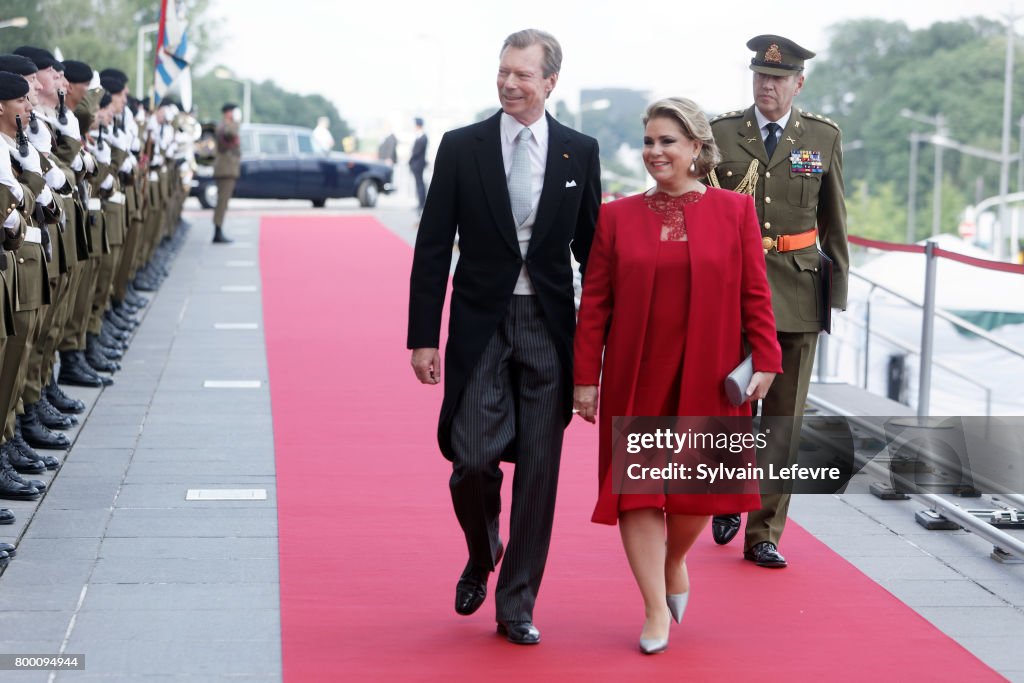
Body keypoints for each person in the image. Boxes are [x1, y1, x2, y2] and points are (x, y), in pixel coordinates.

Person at [407, 28, 601, 646]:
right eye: (503, 72)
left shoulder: (579, 150)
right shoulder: (462, 147)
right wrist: (422, 335)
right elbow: (434, 244)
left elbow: (593, 255)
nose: (510, 83)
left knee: (539, 475)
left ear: (550, 83)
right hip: (479, 324)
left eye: (523, 75)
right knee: (470, 459)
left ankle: (516, 603)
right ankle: (481, 546)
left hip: (549, 326)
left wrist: (595, 352)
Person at [573, 97, 782, 654]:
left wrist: (766, 358)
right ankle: (653, 608)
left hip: (710, 371)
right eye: (648, 141)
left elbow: (755, 294)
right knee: (638, 494)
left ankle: (673, 562)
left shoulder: (735, 211)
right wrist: (585, 378)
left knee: (696, 491)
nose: (655, 152)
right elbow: (595, 303)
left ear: (696, 148)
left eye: (667, 141)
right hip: (636, 372)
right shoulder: (616, 216)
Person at [707, 35, 849, 568]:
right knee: (732, 406)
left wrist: (834, 295)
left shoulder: (822, 137)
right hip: (731, 291)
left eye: (778, 78)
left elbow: (834, 220)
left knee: (784, 417)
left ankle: (763, 532)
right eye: (760, 76)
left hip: (795, 288)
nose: (767, 85)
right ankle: (725, 497)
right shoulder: (721, 133)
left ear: (798, 83)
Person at [212, 103, 241, 244]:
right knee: (222, 202)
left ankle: (218, 229)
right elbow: (231, 134)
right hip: (225, 169)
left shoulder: (225, 125)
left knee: (223, 202)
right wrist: (235, 122)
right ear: (228, 113)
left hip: (227, 169)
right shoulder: (225, 126)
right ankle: (217, 231)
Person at [408, 116, 427, 211]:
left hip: (418, 164)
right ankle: (420, 202)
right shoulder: (418, 136)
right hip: (416, 164)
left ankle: (422, 203)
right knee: (418, 184)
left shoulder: (423, 137)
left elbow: (417, 152)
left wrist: (410, 159)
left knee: (420, 184)